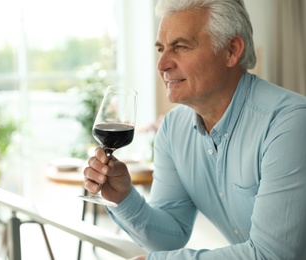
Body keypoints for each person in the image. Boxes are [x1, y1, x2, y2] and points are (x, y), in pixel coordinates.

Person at [83, 0, 306, 259]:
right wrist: (124, 198)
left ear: (231, 50)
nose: (162, 64)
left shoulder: (289, 124)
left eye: (180, 47)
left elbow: (272, 255)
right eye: (161, 49)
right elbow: (170, 235)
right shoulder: (173, 129)